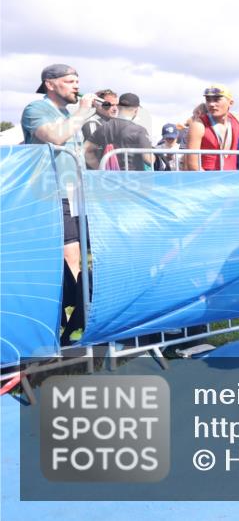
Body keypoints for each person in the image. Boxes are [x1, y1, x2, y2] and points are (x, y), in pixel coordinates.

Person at [20, 64, 97, 345]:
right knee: (68, 258)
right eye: (69, 81)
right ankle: (66, 324)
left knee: (82, 255)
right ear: (50, 84)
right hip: (50, 193)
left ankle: (79, 319)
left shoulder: (70, 113)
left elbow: (79, 150)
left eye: (78, 80)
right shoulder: (35, 109)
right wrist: (80, 113)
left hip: (78, 192)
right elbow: (55, 138)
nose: (76, 85)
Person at [83, 93, 154, 171]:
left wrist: (100, 169)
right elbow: (149, 159)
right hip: (133, 179)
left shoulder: (104, 127)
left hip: (110, 179)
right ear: (136, 110)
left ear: (119, 107)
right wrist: (156, 156)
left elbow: (86, 150)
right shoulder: (139, 130)